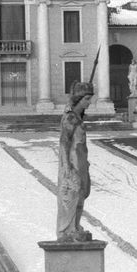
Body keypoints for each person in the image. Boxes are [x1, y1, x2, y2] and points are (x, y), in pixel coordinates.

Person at [54, 81, 96, 241]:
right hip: (72, 163)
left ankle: (76, 226)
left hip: (81, 162)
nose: (89, 102)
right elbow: (64, 143)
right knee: (71, 195)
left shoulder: (78, 117)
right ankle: (67, 230)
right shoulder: (70, 118)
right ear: (78, 99)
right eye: (86, 99)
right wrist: (67, 166)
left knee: (80, 195)